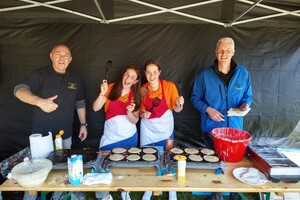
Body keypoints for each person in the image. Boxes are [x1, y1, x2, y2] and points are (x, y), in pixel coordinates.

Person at [14, 44, 88, 200]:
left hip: (65, 136)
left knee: (61, 172)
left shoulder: (75, 78)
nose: (62, 58)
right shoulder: (41, 74)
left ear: (71, 59)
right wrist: (39, 101)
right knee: (35, 174)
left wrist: (83, 124)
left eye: (66, 55)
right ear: (51, 56)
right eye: (58, 54)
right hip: (41, 138)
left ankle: (57, 197)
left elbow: (80, 103)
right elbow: (19, 90)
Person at [191, 37, 252, 200]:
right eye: (220, 50)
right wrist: (208, 109)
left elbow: (248, 96)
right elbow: (194, 97)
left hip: (234, 130)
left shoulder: (243, 74)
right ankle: (216, 193)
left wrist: (244, 105)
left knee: (234, 164)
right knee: (214, 162)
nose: (223, 54)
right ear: (215, 52)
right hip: (212, 129)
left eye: (227, 50)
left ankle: (233, 193)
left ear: (233, 52)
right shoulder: (204, 76)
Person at [93, 63, 141, 200]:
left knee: (126, 168)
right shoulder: (110, 88)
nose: (128, 79)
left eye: (132, 77)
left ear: (135, 81)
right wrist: (102, 93)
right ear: (122, 75)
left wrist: (130, 112)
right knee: (102, 168)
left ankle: (125, 192)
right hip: (110, 137)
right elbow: (96, 108)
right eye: (127, 74)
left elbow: (134, 121)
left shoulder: (135, 95)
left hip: (129, 137)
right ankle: (105, 196)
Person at [139, 59, 184, 200]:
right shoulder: (143, 89)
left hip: (165, 129)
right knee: (148, 157)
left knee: (168, 157)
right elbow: (140, 111)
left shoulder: (169, 87)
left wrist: (179, 104)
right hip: (148, 128)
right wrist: (142, 113)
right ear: (145, 74)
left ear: (159, 72)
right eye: (148, 72)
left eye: (154, 72)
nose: (151, 75)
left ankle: (171, 190)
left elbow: (177, 109)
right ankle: (149, 188)